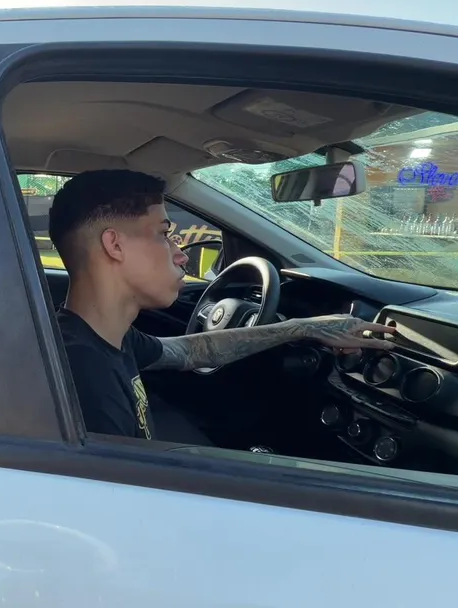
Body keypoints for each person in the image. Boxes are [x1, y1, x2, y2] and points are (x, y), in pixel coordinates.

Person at [48, 169, 396, 441]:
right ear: (114, 245)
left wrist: (302, 327)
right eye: (164, 234)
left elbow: (191, 351)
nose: (181, 255)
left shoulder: (105, 337)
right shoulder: (86, 377)